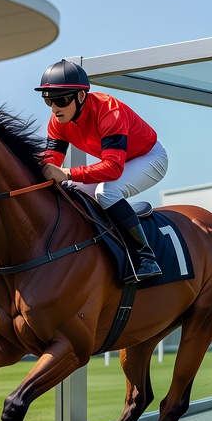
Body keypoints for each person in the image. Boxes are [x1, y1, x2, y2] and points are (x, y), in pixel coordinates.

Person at [36, 59, 167, 284]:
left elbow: (114, 169)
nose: (54, 108)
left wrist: (66, 173)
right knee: (68, 190)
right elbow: (50, 164)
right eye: (48, 100)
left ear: (80, 96)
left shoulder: (109, 111)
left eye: (60, 100)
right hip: (118, 161)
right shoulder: (58, 120)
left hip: (149, 158)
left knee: (107, 192)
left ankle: (146, 257)